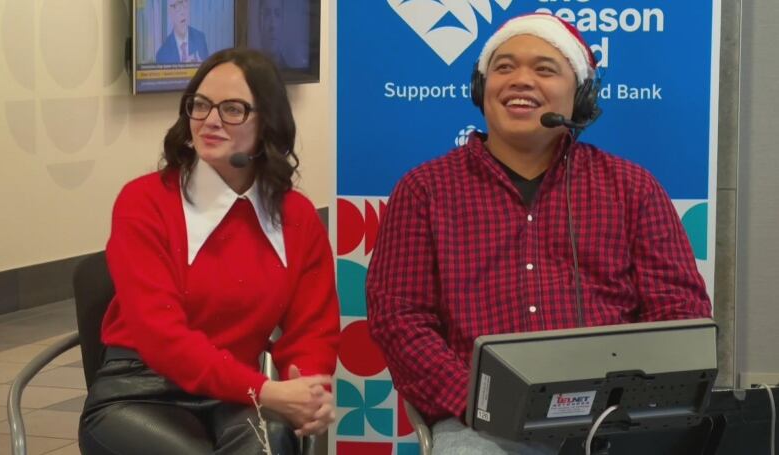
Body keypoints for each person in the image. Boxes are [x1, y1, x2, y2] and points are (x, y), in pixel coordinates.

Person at [365, 13, 712, 455]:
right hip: (482, 424)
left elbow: (680, 311)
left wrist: (626, 402)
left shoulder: (632, 187)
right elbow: (400, 321)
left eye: (544, 69)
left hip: (613, 421)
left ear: (581, 96)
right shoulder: (424, 190)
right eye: (504, 67)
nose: (520, 81)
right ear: (481, 87)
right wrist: (479, 402)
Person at [79, 48, 340, 454]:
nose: (210, 121)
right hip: (140, 389)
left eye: (233, 109)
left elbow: (313, 331)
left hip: (239, 395)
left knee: (267, 443)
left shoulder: (297, 217)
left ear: (267, 122)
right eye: (200, 105)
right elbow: (162, 337)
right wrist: (268, 391)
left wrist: (304, 388)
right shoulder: (144, 201)